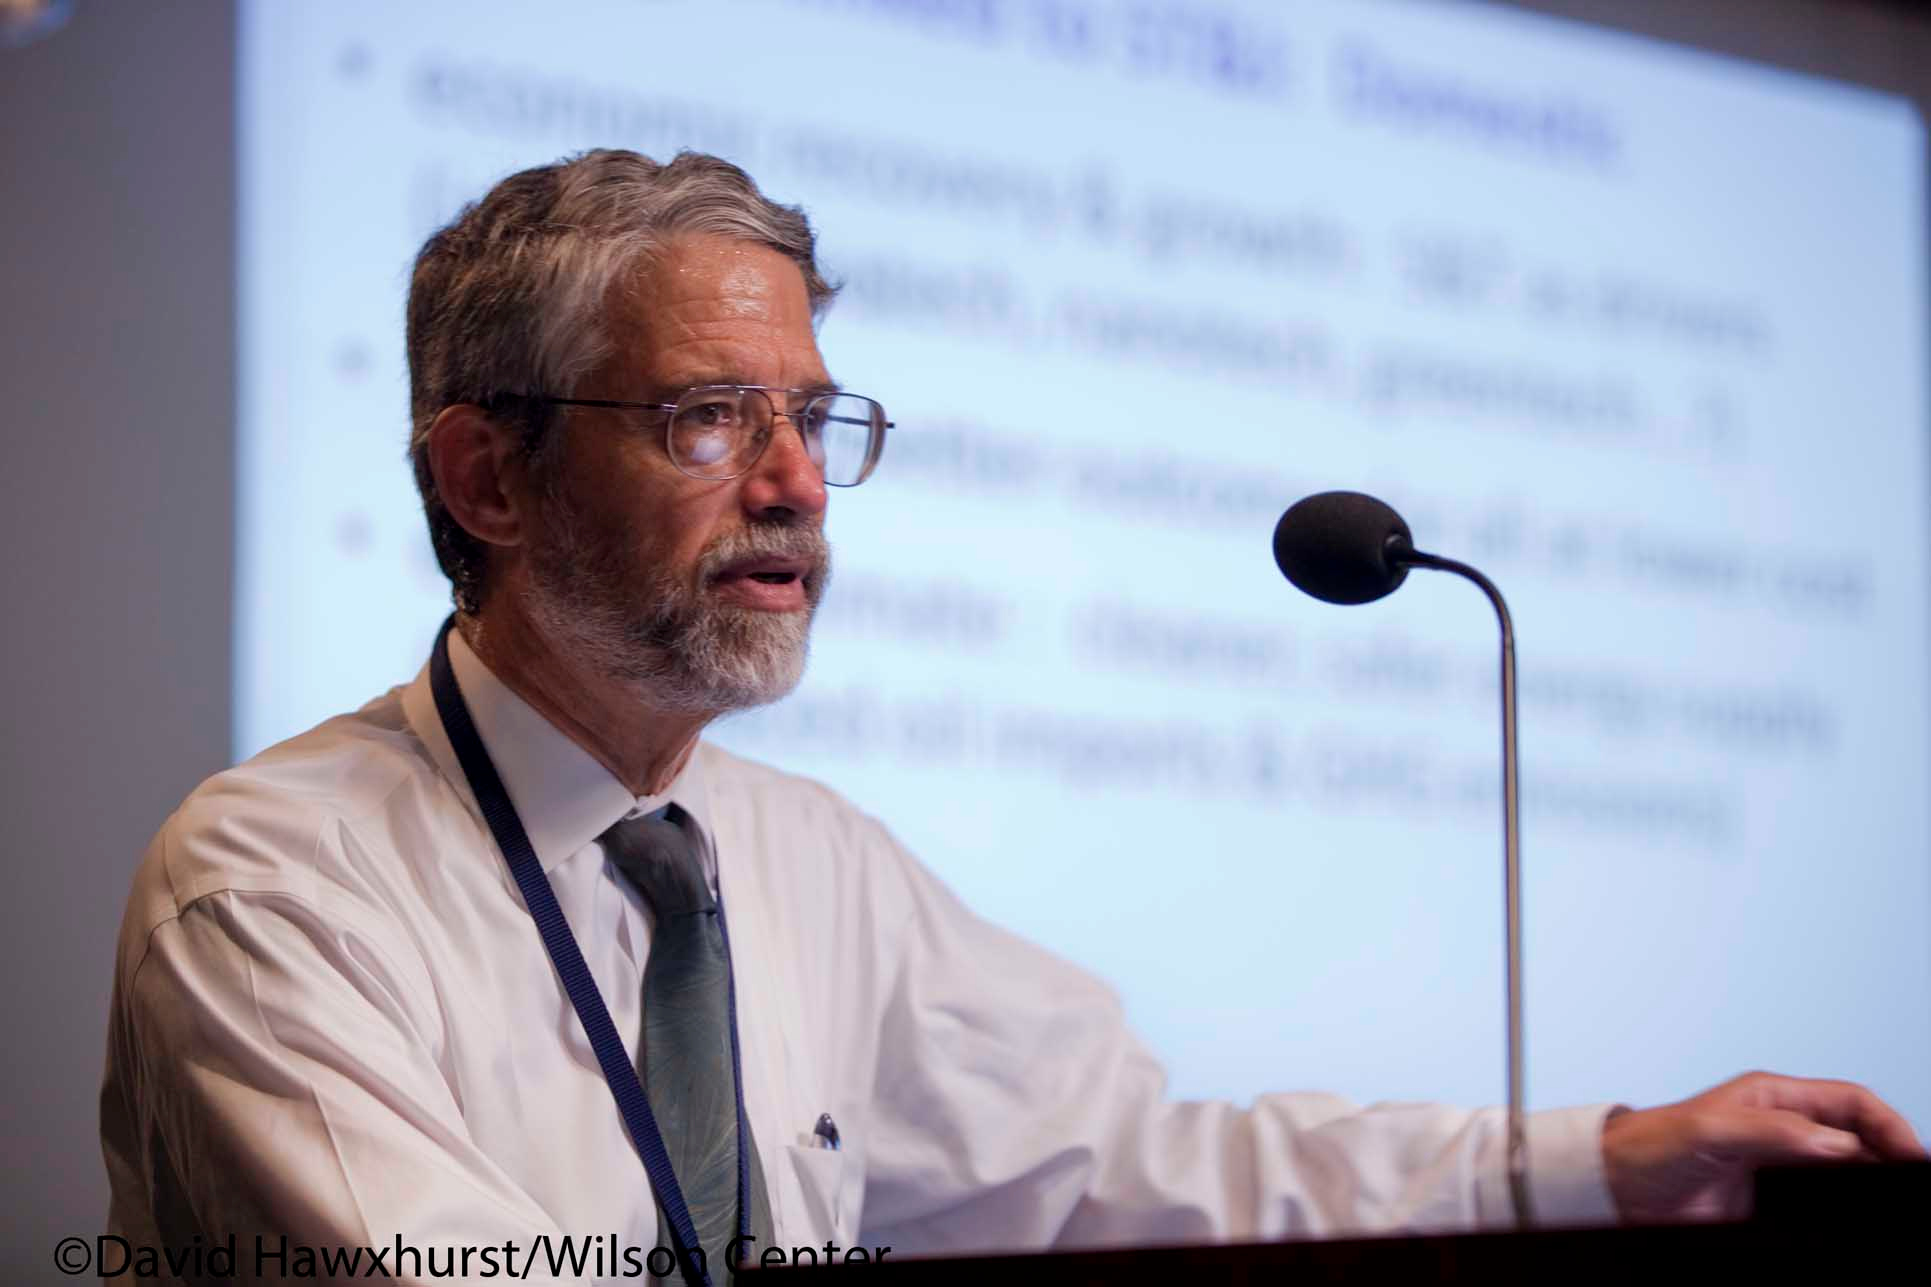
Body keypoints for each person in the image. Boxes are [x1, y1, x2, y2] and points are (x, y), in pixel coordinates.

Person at [102, 149, 1923, 1280]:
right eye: (710, 419)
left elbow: (1143, 1168)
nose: (799, 487)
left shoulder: (811, 864)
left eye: (818, 420)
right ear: (485, 477)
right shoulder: (278, 887)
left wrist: (1596, 1162)